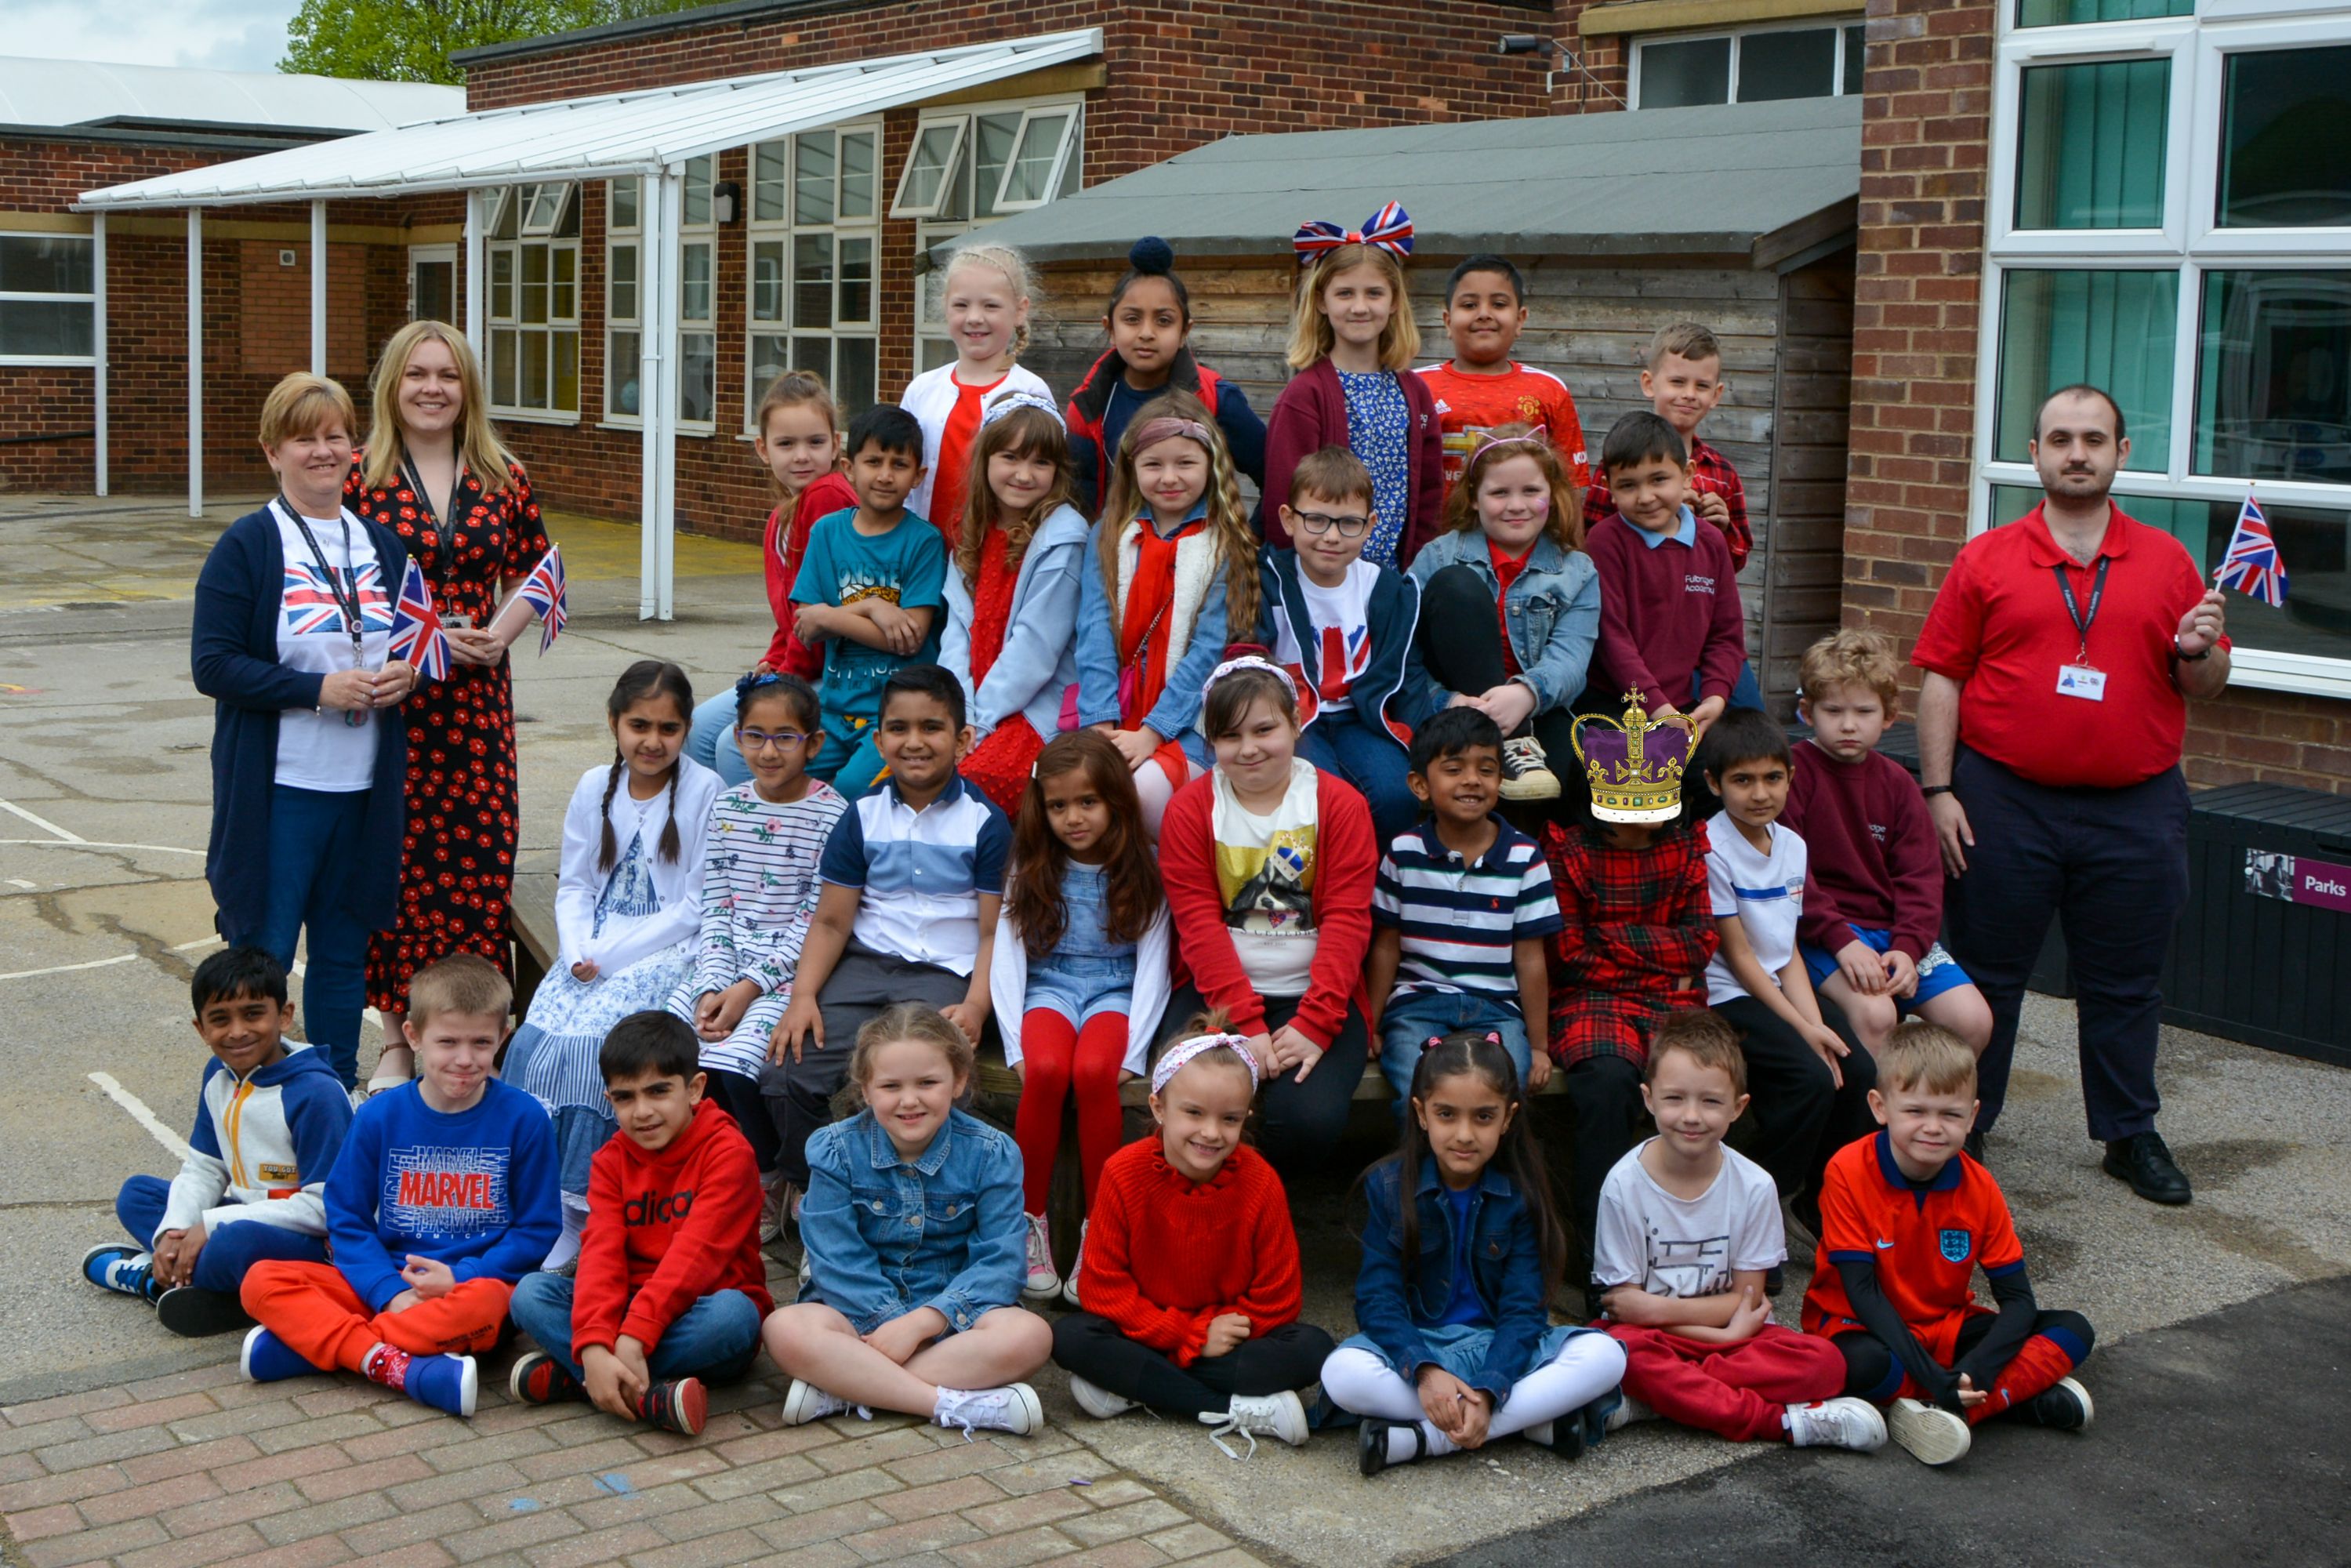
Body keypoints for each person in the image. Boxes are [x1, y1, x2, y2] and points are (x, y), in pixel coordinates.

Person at [1913, 383, 2228, 1204]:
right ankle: (1966, 1121)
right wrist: (1937, 788)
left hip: (2135, 806)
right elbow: (1942, 677)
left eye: (2092, 439)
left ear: (2121, 452)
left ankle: (2128, 1133)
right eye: (2060, 439)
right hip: (2002, 799)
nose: (2076, 453)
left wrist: (2198, 650)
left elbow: (2204, 684)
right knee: (1986, 977)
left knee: (2124, 982)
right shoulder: (1985, 558)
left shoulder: (2167, 560)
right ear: (2035, 453)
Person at [192, 371, 418, 1094]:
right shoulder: (249, 545)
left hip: (363, 791)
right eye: (303, 439)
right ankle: (247, 1101)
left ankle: (331, 1094)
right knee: (261, 956)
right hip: (281, 791)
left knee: (344, 956)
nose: (322, 451)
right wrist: (315, 690)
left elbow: (409, 642)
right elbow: (213, 664)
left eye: (335, 436)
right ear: (272, 452)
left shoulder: (383, 545)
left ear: (355, 447)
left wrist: (406, 674)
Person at [344, 322, 550, 1091]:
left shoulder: (503, 474)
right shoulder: (359, 476)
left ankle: (474, 1036)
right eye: (418, 374)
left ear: (468, 388)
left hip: (476, 703)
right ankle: (398, 1039)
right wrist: (416, 641)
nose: (433, 388)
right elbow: (341, 591)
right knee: (398, 865)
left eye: (448, 375)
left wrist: (499, 635)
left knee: (479, 862)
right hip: (398, 696)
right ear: (392, 385)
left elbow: (535, 571)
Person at [238, 955, 559, 1417]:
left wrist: (462, 1277)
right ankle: (402, 1367)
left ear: (503, 1037)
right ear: (412, 1036)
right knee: (262, 1279)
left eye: (481, 1043)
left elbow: (536, 1229)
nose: (465, 1059)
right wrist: (389, 1293)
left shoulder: (525, 1118)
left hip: (470, 1289)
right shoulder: (379, 1115)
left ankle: (317, 1345)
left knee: (489, 1305)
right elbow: (347, 1218)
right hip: (388, 1282)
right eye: (447, 1042)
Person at [764, 666, 1008, 1235]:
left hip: (942, 973)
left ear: (963, 739)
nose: (914, 742)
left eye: (931, 727)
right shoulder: (861, 816)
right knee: (788, 1071)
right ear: (878, 740)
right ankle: (814, 1190)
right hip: (863, 967)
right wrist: (803, 996)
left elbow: (994, 933)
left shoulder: (985, 824)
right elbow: (831, 921)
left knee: (917, 1075)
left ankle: (907, 1204)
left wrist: (977, 1005)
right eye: (899, 728)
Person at [1323, 1030, 1627, 1475]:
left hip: (1499, 1351)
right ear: (1421, 1114)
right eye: (1446, 1114)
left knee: (1606, 1356)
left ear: (1508, 1119)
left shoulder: (1521, 1195)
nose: (1464, 1135)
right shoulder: (1388, 1187)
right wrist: (1426, 1373)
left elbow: (1523, 1310)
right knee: (1342, 1374)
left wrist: (1488, 1389)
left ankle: (1426, 1439)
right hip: (1422, 1349)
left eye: (1484, 1117)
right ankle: (1524, 1422)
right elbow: (1378, 1299)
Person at [1803, 1022, 2096, 1466]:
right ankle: (2013, 1395)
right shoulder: (1848, 1169)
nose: (1933, 1128)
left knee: (2074, 1329)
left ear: (1973, 1116)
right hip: (1860, 1326)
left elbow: (2018, 1301)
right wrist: (1934, 1374)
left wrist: (1977, 1370)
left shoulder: (1980, 1187)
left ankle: (1959, 1406)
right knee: (1854, 1366)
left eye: (1951, 1115)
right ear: (1880, 1107)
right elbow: (1862, 1293)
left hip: (1945, 1327)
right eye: (1915, 1111)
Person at [506, 661, 721, 1265]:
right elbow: (575, 884)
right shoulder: (593, 785)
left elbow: (693, 905)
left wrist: (607, 957)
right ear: (613, 722)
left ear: (685, 730)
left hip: (665, 950)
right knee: (534, 1044)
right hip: (593, 946)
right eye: (639, 726)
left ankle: (581, 1212)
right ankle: (537, 1201)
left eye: (668, 728)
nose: (653, 741)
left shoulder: (704, 789)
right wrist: (576, 949)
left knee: (597, 1049)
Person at [1591, 1012, 1884, 1451]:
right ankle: (1779, 1423)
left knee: (1824, 1362)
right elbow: (1627, 1312)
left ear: (1738, 1107)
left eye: (1711, 1101)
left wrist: (1674, 1316)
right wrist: (1720, 1333)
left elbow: (1746, 1299)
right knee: (1611, 1351)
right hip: (1657, 1339)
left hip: (1726, 1338)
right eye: (1675, 1098)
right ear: (1648, 1099)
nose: (1692, 1116)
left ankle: (1660, 1399)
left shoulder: (1755, 1186)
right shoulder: (1623, 1184)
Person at [763, 1004, 1053, 1436]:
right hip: (857, 1315)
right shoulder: (835, 1150)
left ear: (958, 1081)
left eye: (928, 1083)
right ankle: (957, 1405)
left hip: (955, 1319)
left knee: (1031, 1335)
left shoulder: (992, 1153)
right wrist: (888, 1323)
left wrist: (922, 1323)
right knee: (784, 1328)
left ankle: (846, 1388)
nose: (910, 1100)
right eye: (891, 1086)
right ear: (865, 1089)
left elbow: (1000, 1263)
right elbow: (837, 1260)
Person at [1052, 1027, 1333, 1454]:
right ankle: (1232, 1409)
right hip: (1149, 1330)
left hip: (1227, 1342)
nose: (1211, 1133)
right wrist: (1191, 1335)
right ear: (1159, 1107)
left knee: (1314, 1349)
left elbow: (1278, 1298)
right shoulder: (1122, 1172)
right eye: (1194, 1113)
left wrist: (1216, 1334)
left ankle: (1140, 1388)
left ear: (1246, 1118)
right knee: (1071, 1337)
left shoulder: (1261, 1182)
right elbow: (1103, 1288)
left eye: (1229, 1119)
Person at [508, 1012, 773, 1437]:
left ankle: (585, 1379)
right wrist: (596, 1341)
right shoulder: (611, 1160)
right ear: (609, 1100)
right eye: (625, 1098)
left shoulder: (728, 1152)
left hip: (700, 1307)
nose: (643, 1111)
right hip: (627, 1309)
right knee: (530, 1294)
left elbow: (695, 1257)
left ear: (695, 1088)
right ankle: (645, 1393)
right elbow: (601, 1255)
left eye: (658, 1091)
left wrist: (633, 1337)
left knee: (735, 1317)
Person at [1158, 658, 1377, 1171]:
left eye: (1264, 730)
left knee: (1306, 1120)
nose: (1248, 748)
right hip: (1216, 992)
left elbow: (1347, 921)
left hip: (1317, 993)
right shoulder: (1190, 810)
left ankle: (1261, 1201)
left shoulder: (1339, 805)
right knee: (1193, 1100)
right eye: (1229, 736)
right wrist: (1245, 1023)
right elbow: (1198, 926)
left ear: (1295, 724)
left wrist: (1316, 1022)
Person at [83, 947, 352, 1338]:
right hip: (246, 1219)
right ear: (201, 1029)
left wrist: (211, 1225)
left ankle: (154, 1279)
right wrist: (174, 1232)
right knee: (137, 1195)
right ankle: (205, 1280)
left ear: (285, 1016)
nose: (237, 1031)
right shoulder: (219, 1074)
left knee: (235, 1244)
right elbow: (205, 1167)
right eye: (220, 1020)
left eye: (253, 1014)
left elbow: (326, 1209)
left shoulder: (316, 1093)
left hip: (316, 1242)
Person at [1538, 697, 1714, 1280]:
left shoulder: (1684, 849)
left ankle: (1698, 1234)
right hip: (1590, 1003)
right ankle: (1596, 1248)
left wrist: (1610, 939)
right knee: (1608, 1083)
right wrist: (1657, 959)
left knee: (1698, 1082)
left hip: (1675, 1003)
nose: (1639, 821)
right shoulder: (1569, 852)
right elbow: (1569, 954)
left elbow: (1699, 944)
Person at [991, 731, 1170, 1304]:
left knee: (1096, 1073)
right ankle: (1028, 1222)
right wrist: (1014, 1044)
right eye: (1058, 805)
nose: (1073, 818)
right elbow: (1009, 954)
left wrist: (1135, 1049)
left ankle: (1102, 1228)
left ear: (1114, 799)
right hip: (1049, 988)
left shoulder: (1143, 865)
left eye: (1087, 802)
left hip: (1114, 992)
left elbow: (1153, 962)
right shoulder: (1031, 865)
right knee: (1046, 1071)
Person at [669, 671, 845, 1241]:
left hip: (784, 973)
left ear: (813, 743)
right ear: (737, 738)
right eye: (755, 736)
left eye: (785, 737)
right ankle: (714, 1162)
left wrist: (746, 989)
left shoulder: (832, 816)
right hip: (722, 962)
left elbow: (815, 921)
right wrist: (712, 985)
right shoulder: (728, 807)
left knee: (741, 1063)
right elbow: (716, 904)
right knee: (672, 1044)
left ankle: (768, 1171)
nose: (768, 752)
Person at [1700, 709, 1876, 1232]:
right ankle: (1747, 1204)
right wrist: (1803, 1028)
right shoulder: (1710, 847)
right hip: (1729, 994)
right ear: (1714, 783)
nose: (1760, 793)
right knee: (1809, 1079)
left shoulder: (1793, 845)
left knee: (1858, 1070)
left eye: (1772, 778)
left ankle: (1819, 1201)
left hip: (1776, 984)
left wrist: (1815, 1024)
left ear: (1790, 778)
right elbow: (1739, 956)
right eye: (1743, 781)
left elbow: (1787, 949)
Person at [1785, 630, 1994, 1060]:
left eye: (1864, 711)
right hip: (1824, 933)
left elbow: (1921, 879)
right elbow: (1791, 877)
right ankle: (1871, 1104)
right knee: (1876, 1015)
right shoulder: (1790, 775)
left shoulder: (1899, 784)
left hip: (1893, 934)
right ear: (1807, 713)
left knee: (1972, 1019)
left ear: (1889, 716)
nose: (1848, 724)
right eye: (1833, 710)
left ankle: (1923, 1101)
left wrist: (1908, 947)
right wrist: (1842, 941)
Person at [1074, 392, 1257, 834]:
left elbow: (1209, 649)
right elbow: (1094, 628)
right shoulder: (1110, 533)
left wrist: (1153, 732)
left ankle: (1160, 877)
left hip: (1188, 718)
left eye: (1186, 463)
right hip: (1114, 706)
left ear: (1211, 465)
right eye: (1153, 464)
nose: (1169, 478)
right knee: (1069, 784)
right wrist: (1100, 721)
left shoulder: (1225, 541)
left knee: (1142, 795)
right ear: (1132, 467)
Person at [1366, 706, 1562, 1103]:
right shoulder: (1404, 854)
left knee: (1506, 1088)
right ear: (1420, 785)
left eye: (1486, 769)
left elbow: (1530, 958)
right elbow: (1386, 946)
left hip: (1497, 1009)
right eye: (1454, 769)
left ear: (1501, 780)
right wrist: (1370, 1024)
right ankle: (1420, 1148)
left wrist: (1538, 1045)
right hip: (1417, 1005)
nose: (1472, 779)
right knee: (1416, 1087)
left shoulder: (1525, 857)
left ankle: (1497, 1149)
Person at [1409, 424, 1601, 804]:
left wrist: (1526, 694)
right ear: (1474, 498)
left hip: (1535, 706)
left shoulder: (1577, 572)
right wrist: (1445, 700)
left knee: (1577, 779)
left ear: (1552, 495)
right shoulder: (1438, 557)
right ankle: (1511, 744)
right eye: (1499, 493)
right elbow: (1404, 649)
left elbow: (1571, 658)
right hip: (1456, 705)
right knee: (1456, 585)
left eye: (1531, 491)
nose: (1516, 505)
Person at [684, 371, 858, 786]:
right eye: (786, 444)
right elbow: (788, 617)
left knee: (733, 745)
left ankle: (762, 824)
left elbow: (816, 613)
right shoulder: (782, 517)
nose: (802, 456)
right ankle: (724, 823)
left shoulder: (827, 497)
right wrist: (773, 661)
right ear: (763, 449)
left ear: (836, 444)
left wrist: (781, 679)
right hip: (801, 665)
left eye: (815, 442)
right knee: (699, 730)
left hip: (835, 670)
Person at [1261, 445, 1435, 841]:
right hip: (1293, 719)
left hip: (1361, 717)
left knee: (1396, 795)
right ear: (1288, 519)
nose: (1332, 537)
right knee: (1323, 797)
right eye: (1316, 520)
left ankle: (1379, 878)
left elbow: (1406, 672)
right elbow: (1249, 657)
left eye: (1349, 524)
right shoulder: (1268, 581)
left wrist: (1427, 747)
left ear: (1370, 525)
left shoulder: (1386, 589)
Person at [1264, 204, 1443, 568]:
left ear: (1394, 302)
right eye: (1345, 293)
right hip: (1322, 579)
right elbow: (1283, 496)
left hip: (1394, 578)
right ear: (1321, 301)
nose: (1360, 307)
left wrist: (1417, 569)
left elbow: (1429, 492)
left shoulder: (1415, 393)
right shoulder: (1305, 396)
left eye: (1374, 293)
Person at [939, 390, 1090, 813]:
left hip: (1034, 703)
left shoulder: (1063, 537)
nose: (1024, 475)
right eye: (1010, 457)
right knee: (913, 773)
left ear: (1058, 470)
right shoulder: (971, 531)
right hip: (972, 703)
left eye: (1040, 462)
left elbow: (1035, 651)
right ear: (986, 458)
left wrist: (979, 723)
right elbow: (957, 634)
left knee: (974, 784)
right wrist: (959, 713)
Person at [793, 404, 951, 798]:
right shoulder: (827, 532)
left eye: (899, 465)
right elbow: (806, 625)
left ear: (918, 476)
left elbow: (910, 638)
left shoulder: (924, 541)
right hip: (833, 709)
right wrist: (871, 607)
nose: (885, 475)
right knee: (783, 768)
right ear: (849, 468)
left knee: (851, 787)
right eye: (873, 462)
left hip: (897, 715)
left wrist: (829, 616)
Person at [1067, 237, 1266, 515]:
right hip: (1113, 541)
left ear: (1185, 331)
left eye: (1164, 321)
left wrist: (1253, 537)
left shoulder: (1217, 399)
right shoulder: (1088, 407)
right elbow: (1080, 497)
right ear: (1110, 328)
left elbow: (1273, 474)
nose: (1147, 333)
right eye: (1132, 319)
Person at [1585, 412, 1746, 746]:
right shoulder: (1605, 541)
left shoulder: (1711, 542)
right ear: (1610, 489)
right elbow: (1612, 639)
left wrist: (1715, 697)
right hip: (1614, 705)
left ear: (1687, 475)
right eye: (1628, 485)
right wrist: (1660, 711)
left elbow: (1726, 635)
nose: (1645, 497)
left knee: (1739, 759)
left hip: (1687, 706)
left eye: (1658, 479)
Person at [901, 243, 1053, 550]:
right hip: (921, 556)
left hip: (997, 556)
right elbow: (902, 470)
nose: (974, 317)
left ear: (1020, 310)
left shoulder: (1032, 392)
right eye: (961, 305)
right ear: (945, 306)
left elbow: (1044, 482)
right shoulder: (922, 389)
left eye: (991, 306)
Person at [1413, 255, 1590, 501]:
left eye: (1498, 304)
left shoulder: (1549, 390)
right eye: (1469, 305)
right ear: (1448, 321)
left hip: (1524, 525)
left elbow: (1568, 489)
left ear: (1520, 320)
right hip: (1434, 527)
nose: (1484, 314)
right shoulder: (1416, 387)